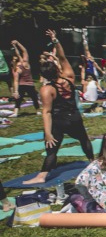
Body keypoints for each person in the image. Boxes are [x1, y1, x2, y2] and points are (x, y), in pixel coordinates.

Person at [26, 31, 94, 183]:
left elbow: (47, 112)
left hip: (59, 121)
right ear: (57, 70)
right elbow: (62, 58)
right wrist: (56, 40)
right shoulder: (69, 76)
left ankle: (42, 175)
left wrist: (48, 133)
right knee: (84, 140)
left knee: (52, 150)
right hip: (74, 117)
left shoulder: (46, 90)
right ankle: (92, 161)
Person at [10, 39, 39, 117]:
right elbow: (24, 51)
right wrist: (17, 43)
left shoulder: (17, 68)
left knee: (18, 100)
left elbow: (16, 81)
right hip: (30, 85)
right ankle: (37, 111)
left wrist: (16, 91)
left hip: (22, 85)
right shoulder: (26, 63)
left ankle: (15, 113)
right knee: (34, 98)